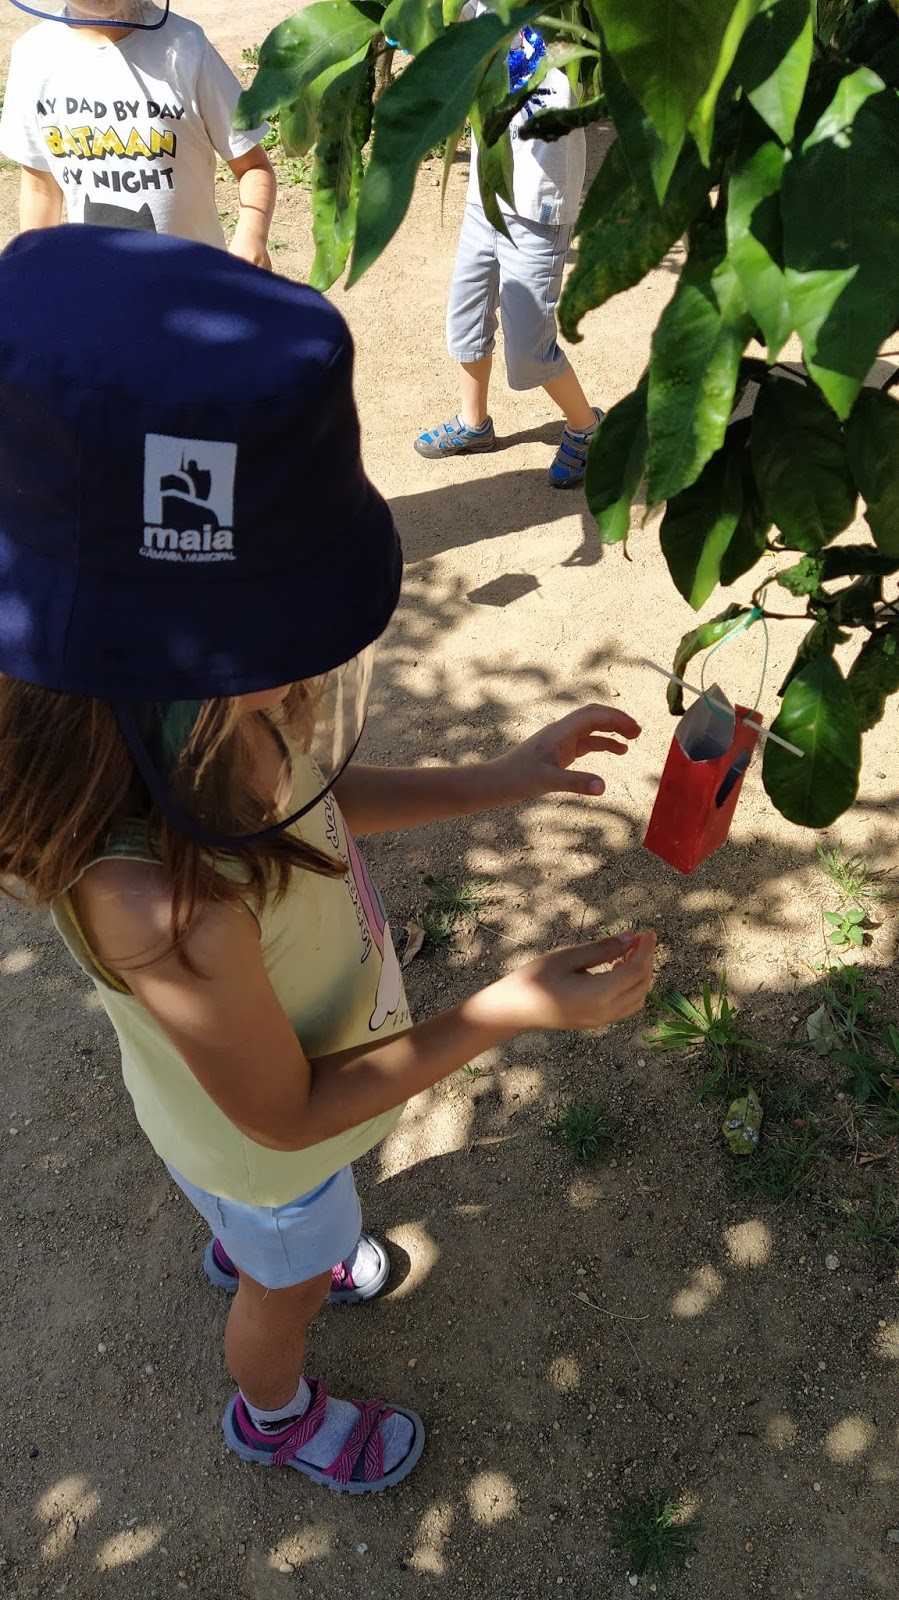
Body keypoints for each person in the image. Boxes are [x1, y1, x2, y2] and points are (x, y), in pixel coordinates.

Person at [0, 226, 656, 1494]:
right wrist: (505, 1010)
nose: (309, 671)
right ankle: (275, 1410)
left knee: (271, 1221)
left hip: (250, 1129)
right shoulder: (161, 900)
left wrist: (501, 776)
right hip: (275, 1141)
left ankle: (254, 1237)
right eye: (282, 634)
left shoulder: (204, 730)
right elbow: (286, 1110)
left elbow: (319, 800)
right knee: (284, 1278)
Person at [415, 18, 600, 488]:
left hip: (540, 206)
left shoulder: (574, 18)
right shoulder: (478, 8)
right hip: (487, 197)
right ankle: (473, 423)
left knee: (529, 350)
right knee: (466, 318)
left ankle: (585, 427)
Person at [0, 0, 275, 264]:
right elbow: (41, 188)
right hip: (97, 288)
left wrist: (252, 233)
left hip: (192, 283)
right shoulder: (34, 56)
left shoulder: (187, 47)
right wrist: (32, 267)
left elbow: (253, 166)